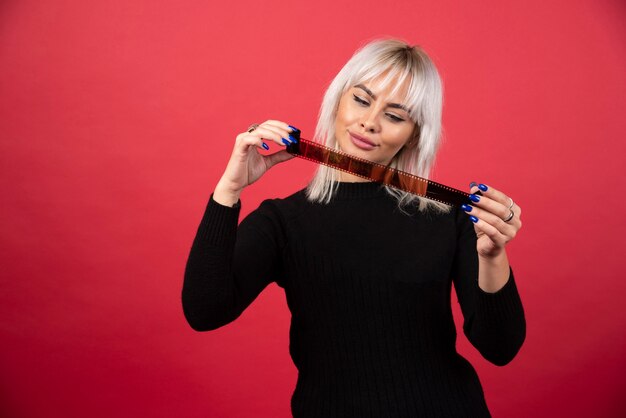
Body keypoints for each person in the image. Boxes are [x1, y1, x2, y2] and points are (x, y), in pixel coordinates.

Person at [182, 38, 526, 417]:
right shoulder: (282, 222)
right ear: (338, 99)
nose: (370, 122)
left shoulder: (450, 218)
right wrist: (228, 190)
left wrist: (493, 254)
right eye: (361, 100)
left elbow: (501, 348)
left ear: (414, 133)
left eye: (395, 116)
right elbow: (205, 311)